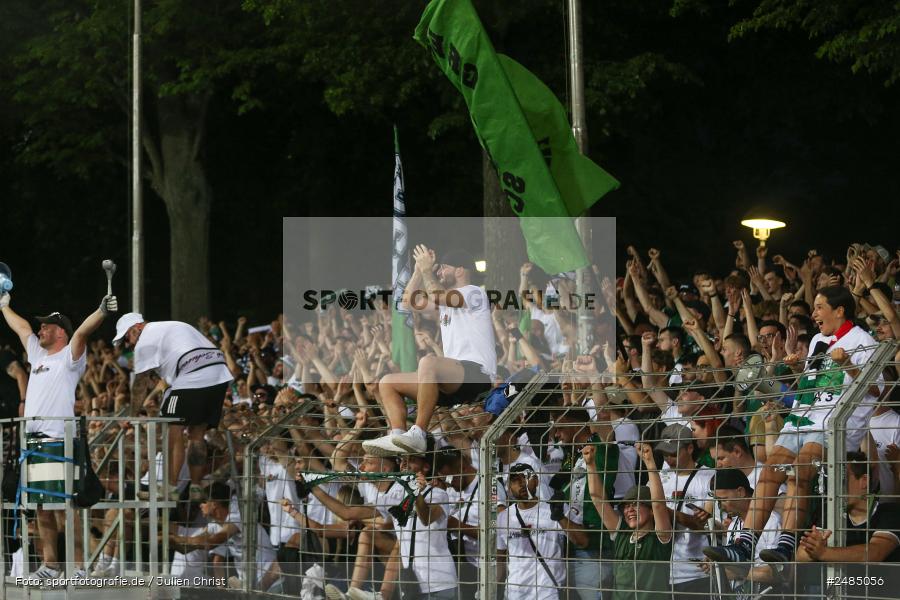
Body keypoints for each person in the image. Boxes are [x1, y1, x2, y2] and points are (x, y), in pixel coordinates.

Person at [704, 286, 881, 566]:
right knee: (769, 473)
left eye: (819, 307)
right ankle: (744, 545)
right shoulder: (816, 341)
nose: (814, 313)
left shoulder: (864, 340)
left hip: (832, 428)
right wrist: (798, 368)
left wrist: (848, 364)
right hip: (802, 419)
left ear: (840, 310)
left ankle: (786, 544)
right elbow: (814, 383)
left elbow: (877, 391)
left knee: (798, 474)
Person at [0, 289, 117, 579]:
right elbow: (22, 327)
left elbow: (82, 333)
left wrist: (101, 311)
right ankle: (51, 565)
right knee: (40, 506)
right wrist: (4, 306)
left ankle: (78, 568)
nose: (40, 328)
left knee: (67, 508)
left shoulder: (69, 357)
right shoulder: (37, 354)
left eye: (47, 325)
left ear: (60, 332)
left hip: (59, 441)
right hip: (33, 442)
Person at [364, 245, 496, 456]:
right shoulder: (444, 301)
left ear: (460, 270)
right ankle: (398, 435)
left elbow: (437, 296)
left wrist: (427, 271)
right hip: (451, 380)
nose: (439, 272)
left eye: (443, 268)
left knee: (428, 361)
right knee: (387, 382)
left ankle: (418, 434)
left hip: (477, 374)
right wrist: (418, 271)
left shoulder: (475, 293)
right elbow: (406, 303)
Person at [112, 312, 233, 501]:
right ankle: (195, 486)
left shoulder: (145, 341)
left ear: (136, 328)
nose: (127, 345)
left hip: (193, 373)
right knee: (197, 434)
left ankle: (169, 488)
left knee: (172, 430)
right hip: (219, 373)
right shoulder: (172, 325)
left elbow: (140, 384)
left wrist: (131, 416)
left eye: (126, 338)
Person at [797, 451, 900, 596]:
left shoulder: (889, 512)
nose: (835, 488)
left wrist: (823, 552)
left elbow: (873, 553)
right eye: (832, 481)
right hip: (840, 590)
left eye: (842, 480)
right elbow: (800, 555)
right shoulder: (829, 512)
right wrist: (816, 549)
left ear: (864, 481)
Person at [584, 442, 673, 600]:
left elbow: (659, 505)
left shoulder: (660, 537)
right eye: (626, 506)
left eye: (637, 505)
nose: (630, 510)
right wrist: (590, 465)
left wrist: (650, 463)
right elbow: (598, 500)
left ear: (651, 511)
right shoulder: (621, 534)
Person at [655, 424, 716, 598]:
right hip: (662, 569)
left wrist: (661, 510)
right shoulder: (660, 477)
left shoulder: (709, 477)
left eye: (673, 453)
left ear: (690, 448)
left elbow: (708, 525)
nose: (668, 458)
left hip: (696, 573)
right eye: (664, 453)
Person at [496, 463, 566, 600]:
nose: (522, 484)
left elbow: (580, 540)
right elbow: (500, 557)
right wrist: (496, 589)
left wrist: (561, 517)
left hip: (548, 592)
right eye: (516, 480)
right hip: (514, 593)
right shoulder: (503, 518)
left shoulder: (554, 510)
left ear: (537, 481)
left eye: (526, 477)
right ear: (509, 488)